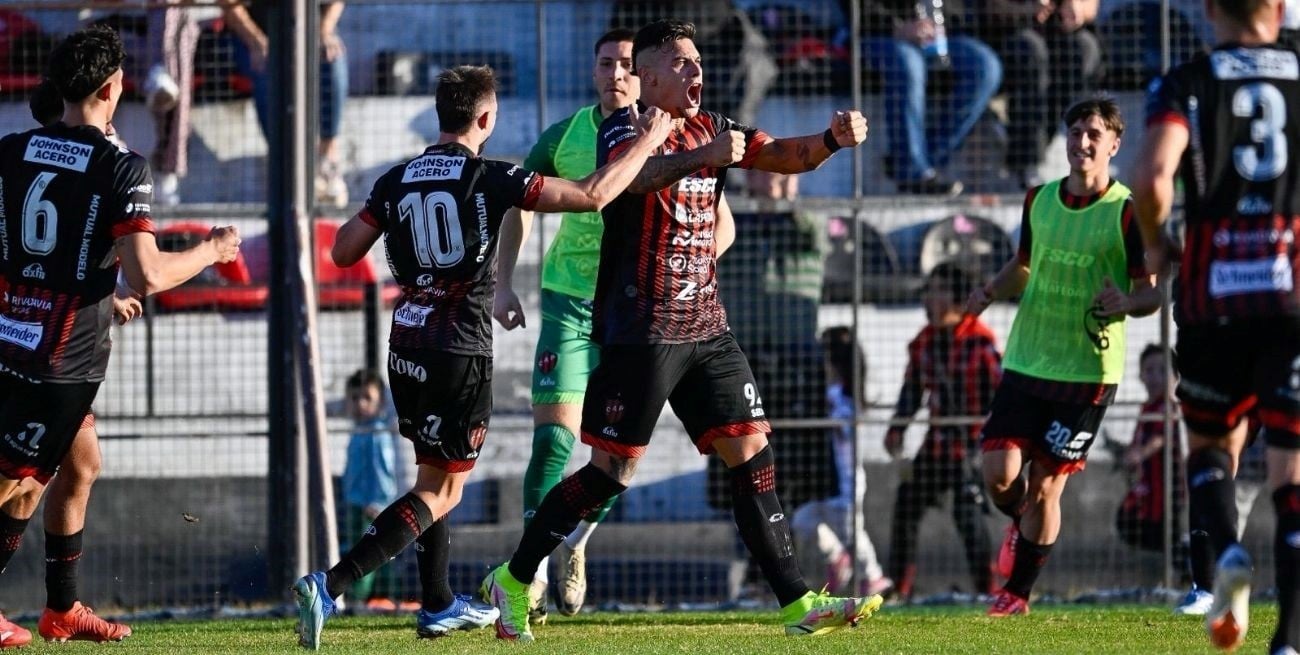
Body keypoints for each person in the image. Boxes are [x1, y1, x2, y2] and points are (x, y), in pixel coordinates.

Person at [480, 19, 873, 642]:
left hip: (707, 329)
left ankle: (798, 603)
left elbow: (780, 155)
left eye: (698, 62)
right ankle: (514, 577)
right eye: (682, 63)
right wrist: (698, 158)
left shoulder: (714, 125)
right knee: (608, 474)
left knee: (753, 453)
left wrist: (830, 139)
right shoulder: (624, 128)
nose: (697, 72)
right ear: (650, 76)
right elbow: (628, 181)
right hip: (642, 331)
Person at [291, 64, 672, 650]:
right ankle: (330, 584)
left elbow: (343, 251)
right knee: (442, 492)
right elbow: (593, 194)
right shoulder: (492, 177)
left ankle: (437, 603)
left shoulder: (397, 179)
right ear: (486, 119)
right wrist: (646, 142)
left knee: (432, 474)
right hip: (458, 351)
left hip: (407, 344)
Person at [0, 26, 240, 645]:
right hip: (57, 363)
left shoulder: (12, 150)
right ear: (112, 89)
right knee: (15, 482)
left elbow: (47, 253)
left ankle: (61, 609)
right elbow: (150, 273)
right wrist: (212, 250)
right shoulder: (119, 166)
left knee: (79, 466)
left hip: (18, 339)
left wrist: (101, 299)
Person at [1133, 1, 1300, 650]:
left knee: (1209, 446)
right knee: (1291, 472)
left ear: (1208, 10)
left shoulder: (1186, 81)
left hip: (1212, 295)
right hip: (1290, 295)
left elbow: (1152, 178)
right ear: (1279, 9)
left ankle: (1228, 551)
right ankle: (1289, 639)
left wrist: (1156, 243)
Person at [967, 96, 1159, 617]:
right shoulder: (1039, 199)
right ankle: (1018, 525)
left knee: (1047, 486)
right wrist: (990, 290)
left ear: (1114, 145)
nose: (1083, 142)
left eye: (1095, 134)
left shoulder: (1127, 211)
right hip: (1028, 359)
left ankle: (1016, 594)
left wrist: (1127, 302)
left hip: (1087, 373)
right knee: (998, 474)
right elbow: (1024, 265)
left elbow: (1150, 292)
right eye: (1076, 132)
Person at [885, 262, 999, 601]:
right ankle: (899, 588)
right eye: (929, 290)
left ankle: (989, 590)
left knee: (968, 514)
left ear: (958, 297)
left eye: (939, 290)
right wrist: (896, 431)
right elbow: (911, 392)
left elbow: (1000, 396)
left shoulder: (980, 342)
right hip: (936, 447)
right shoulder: (924, 343)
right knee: (907, 504)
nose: (929, 298)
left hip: (971, 448)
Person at [837, 0, 1002, 196]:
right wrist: (898, 28)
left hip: (937, 37)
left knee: (986, 66)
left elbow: (957, 8)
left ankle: (926, 159)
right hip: (876, 34)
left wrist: (938, 25)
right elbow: (857, 9)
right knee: (909, 63)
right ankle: (913, 172)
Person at [790, 327, 890, 597]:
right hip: (823, 478)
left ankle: (874, 577)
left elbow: (844, 429)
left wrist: (829, 416)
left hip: (845, 480)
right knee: (802, 522)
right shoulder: (825, 392)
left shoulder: (845, 398)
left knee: (852, 533)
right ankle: (836, 557)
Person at [221, 1, 349, 207]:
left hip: (309, 33)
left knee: (331, 57)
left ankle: (327, 159)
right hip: (255, 37)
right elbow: (228, 4)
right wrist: (256, 41)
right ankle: (287, 165)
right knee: (267, 69)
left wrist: (324, 32)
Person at [968, 0, 1103, 188]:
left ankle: (1044, 144)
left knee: (1084, 48)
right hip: (1009, 35)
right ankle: (1028, 161)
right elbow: (991, 8)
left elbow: (1092, 8)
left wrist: (1076, 9)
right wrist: (1029, 10)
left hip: (1059, 35)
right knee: (1032, 50)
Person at [338, 369, 406, 611]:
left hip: (370, 506)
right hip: (356, 503)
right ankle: (379, 598)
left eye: (367, 398)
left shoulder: (376, 434)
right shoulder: (360, 431)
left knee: (365, 553)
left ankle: (358, 600)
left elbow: (383, 471)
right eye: (354, 397)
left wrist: (378, 502)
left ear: (381, 402)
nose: (360, 404)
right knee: (367, 550)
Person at [1114, 345, 1184, 566]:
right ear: (1141, 375)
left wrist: (1138, 455)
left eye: (1163, 370)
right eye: (1149, 370)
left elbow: (1159, 437)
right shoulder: (1147, 408)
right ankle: (1172, 569)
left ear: (1176, 377)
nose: (1155, 377)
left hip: (1168, 492)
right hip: (1147, 489)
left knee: (1167, 534)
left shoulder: (1168, 407)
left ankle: (1180, 571)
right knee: (1128, 522)